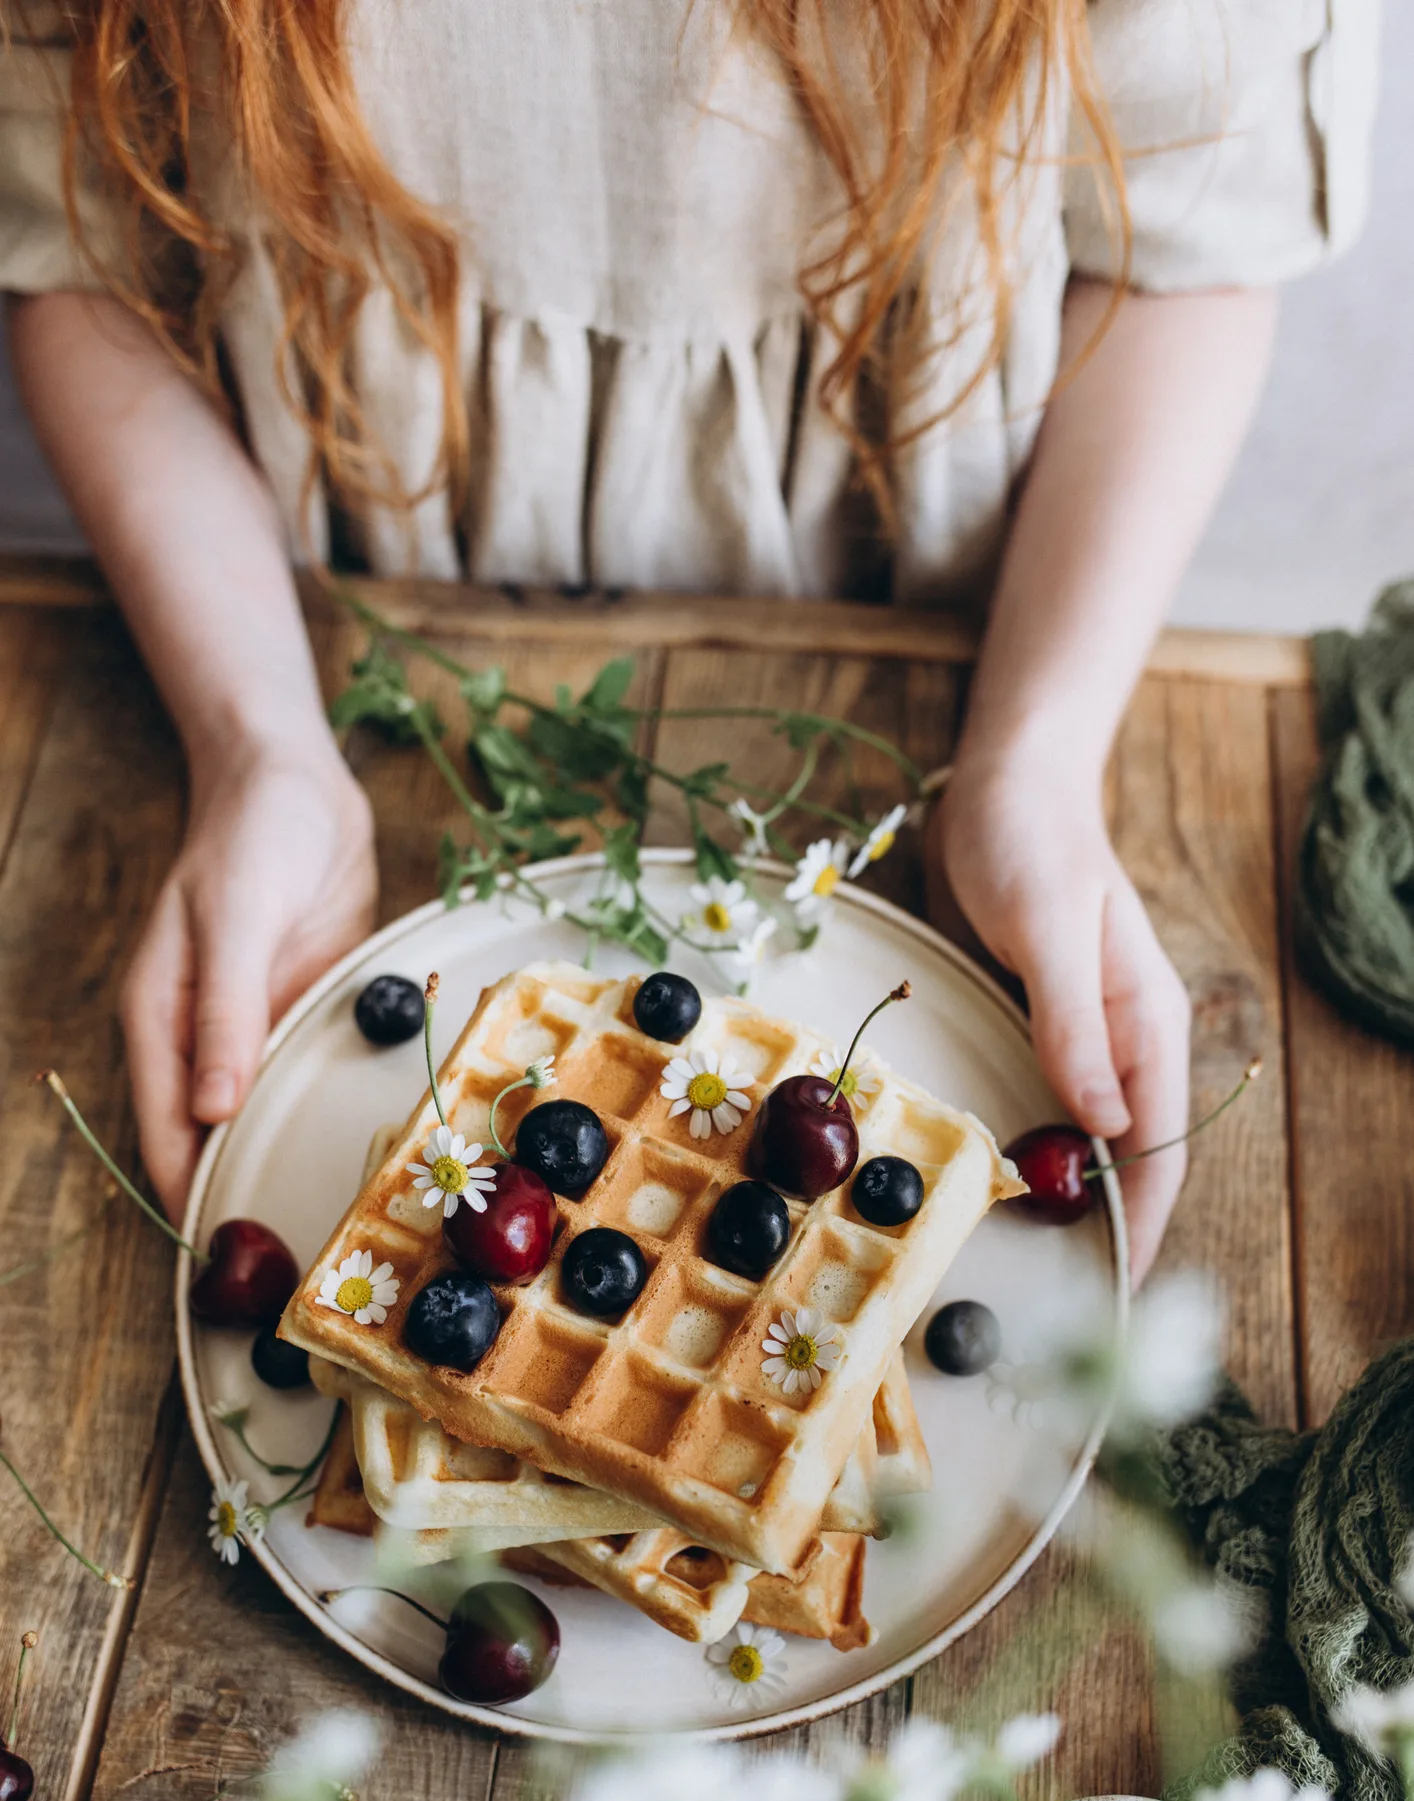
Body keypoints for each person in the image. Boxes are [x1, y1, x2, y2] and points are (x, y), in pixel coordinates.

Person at [0, 0, 1378, 1282]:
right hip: (324, 625)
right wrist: (254, 743)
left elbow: (1178, 250)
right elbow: (80, 255)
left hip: (953, 643)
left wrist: (1035, 758)